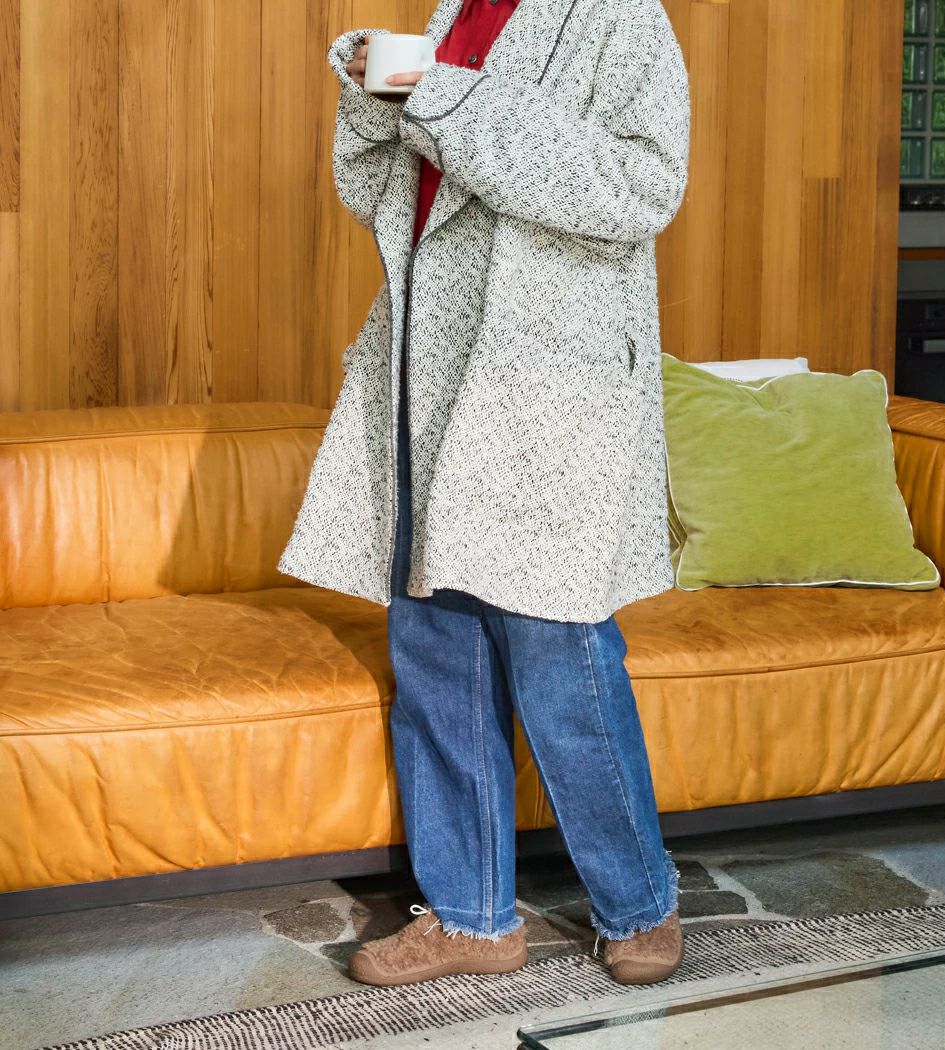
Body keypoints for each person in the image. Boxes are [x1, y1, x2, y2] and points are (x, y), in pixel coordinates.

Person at [278, 0, 692, 988]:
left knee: (559, 655)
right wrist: (376, 95)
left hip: (543, 382)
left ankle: (641, 903)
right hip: (429, 366)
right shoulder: (458, 11)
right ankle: (469, 918)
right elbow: (389, 190)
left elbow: (640, 187)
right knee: (435, 651)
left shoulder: (622, 16)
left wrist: (439, 91)